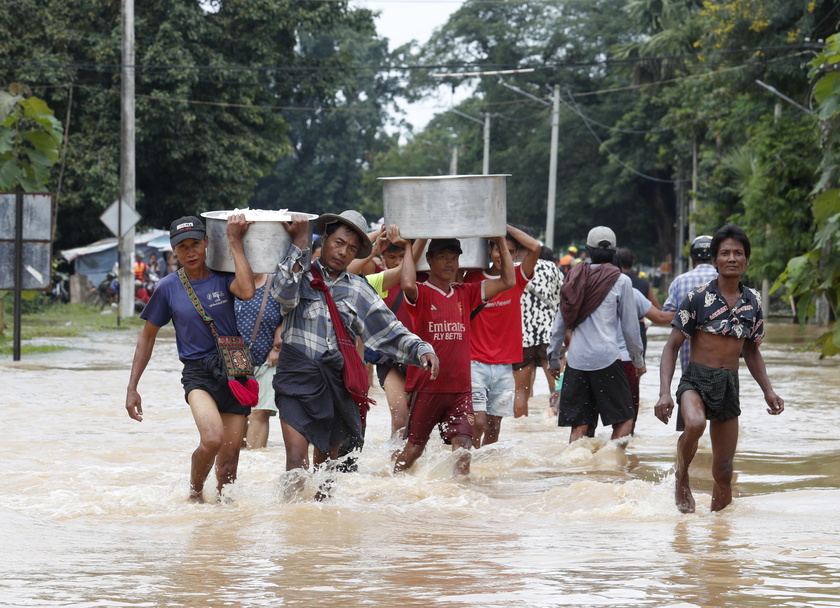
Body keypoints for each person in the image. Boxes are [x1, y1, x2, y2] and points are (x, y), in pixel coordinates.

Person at [271, 210, 438, 498]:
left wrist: (421, 348)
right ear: (324, 239)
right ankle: (292, 537)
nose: (342, 252)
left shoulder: (359, 289)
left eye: (351, 248)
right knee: (297, 463)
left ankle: (323, 536)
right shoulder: (301, 275)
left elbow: (388, 330)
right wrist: (299, 242)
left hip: (336, 385)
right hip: (296, 378)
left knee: (325, 474)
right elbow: (283, 294)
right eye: (338, 242)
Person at [125, 214, 256, 503]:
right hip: (199, 374)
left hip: (236, 372)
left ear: (207, 242)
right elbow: (147, 337)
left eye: (195, 244)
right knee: (212, 439)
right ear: (174, 250)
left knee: (229, 466)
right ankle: (194, 497)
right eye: (182, 247)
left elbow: (247, 291)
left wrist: (234, 239)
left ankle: (222, 529)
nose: (190, 252)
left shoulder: (223, 278)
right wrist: (132, 387)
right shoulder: (167, 287)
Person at [654, 224, 784, 513]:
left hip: (729, 384)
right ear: (714, 261)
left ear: (746, 260)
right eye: (725, 253)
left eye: (738, 253)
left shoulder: (753, 302)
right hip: (696, 380)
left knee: (724, 471)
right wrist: (664, 393)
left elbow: (751, 351)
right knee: (696, 424)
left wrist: (769, 391)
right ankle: (681, 474)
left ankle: (720, 539)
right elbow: (671, 346)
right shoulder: (698, 298)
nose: (732, 258)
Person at [394, 235, 515, 476]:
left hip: (461, 389)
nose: (450, 263)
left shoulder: (465, 292)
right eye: (442, 258)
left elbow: (509, 281)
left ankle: (460, 499)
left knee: (464, 449)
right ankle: (393, 485)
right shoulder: (421, 292)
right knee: (415, 448)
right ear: (428, 260)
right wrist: (409, 244)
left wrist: (500, 241)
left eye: (454, 258)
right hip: (427, 387)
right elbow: (406, 283)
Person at [547, 226, 645, 444]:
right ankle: (610, 466)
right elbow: (630, 328)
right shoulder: (621, 281)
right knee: (625, 419)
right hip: (607, 358)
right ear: (614, 252)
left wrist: (553, 358)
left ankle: (576, 469)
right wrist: (638, 361)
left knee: (580, 425)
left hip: (577, 360)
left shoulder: (572, 277)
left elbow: (559, 325)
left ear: (588, 250)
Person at [463, 225, 541, 446]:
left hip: (504, 367)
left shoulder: (518, 277)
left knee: (494, 426)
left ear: (515, 254)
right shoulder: (472, 277)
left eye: (509, 250)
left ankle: (485, 474)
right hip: (474, 363)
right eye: (498, 248)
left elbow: (535, 247)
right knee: (476, 422)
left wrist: (501, 226)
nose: (501, 255)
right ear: (489, 250)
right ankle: (466, 464)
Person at [513, 244, 562, 418]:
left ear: (518, 250)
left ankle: (522, 430)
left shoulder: (514, 269)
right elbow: (564, 297)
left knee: (521, 392)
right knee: (557, 388)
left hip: (522, 338)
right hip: (551, 337)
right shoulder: (551, 267)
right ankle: (554, 423)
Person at [235, 273, 283, 449]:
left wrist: (277, 347)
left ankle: (256, 465)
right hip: (233, 360)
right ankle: (240, 469)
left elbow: (291, 311)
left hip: (267, 360)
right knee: (237, 415)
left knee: (259, 413)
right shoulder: (229, 282)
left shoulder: (276, 282)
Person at [661, 235, 718, 372]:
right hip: (722, 368)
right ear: (716, 257)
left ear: (692, 259)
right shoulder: (725, 280)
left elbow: (667, 316)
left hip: (689, 366)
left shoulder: (680, 281)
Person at [614, 247, 661, 354]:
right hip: (638, 329)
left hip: (615, 330)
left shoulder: (613, 282)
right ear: (633, 263)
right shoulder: (643, 283)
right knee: (638, 368)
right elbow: (657, 309)